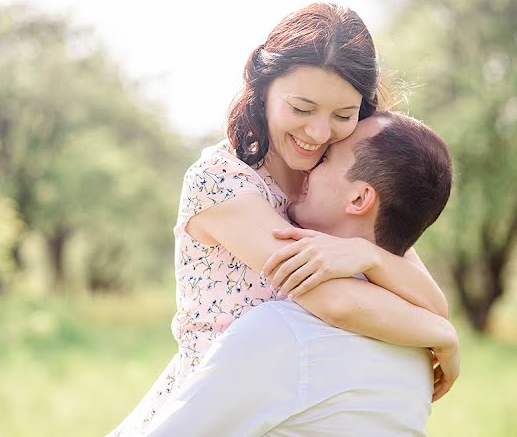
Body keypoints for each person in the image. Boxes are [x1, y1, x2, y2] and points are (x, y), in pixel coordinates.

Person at [108, 4, 458, 436]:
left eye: (343, 116)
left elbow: (429, 297)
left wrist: (366, 255)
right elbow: (334, 302)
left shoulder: (334, 184)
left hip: (300, 406)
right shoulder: (226, 184)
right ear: (264, 87)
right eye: (301, 108)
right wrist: (441, 336)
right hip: (217, 409)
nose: (317, 134)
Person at [142, 111, 455, 437]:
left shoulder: (286, 332)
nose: (307, 166)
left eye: (326, 158)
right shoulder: (419, 353)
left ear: (360, 198)